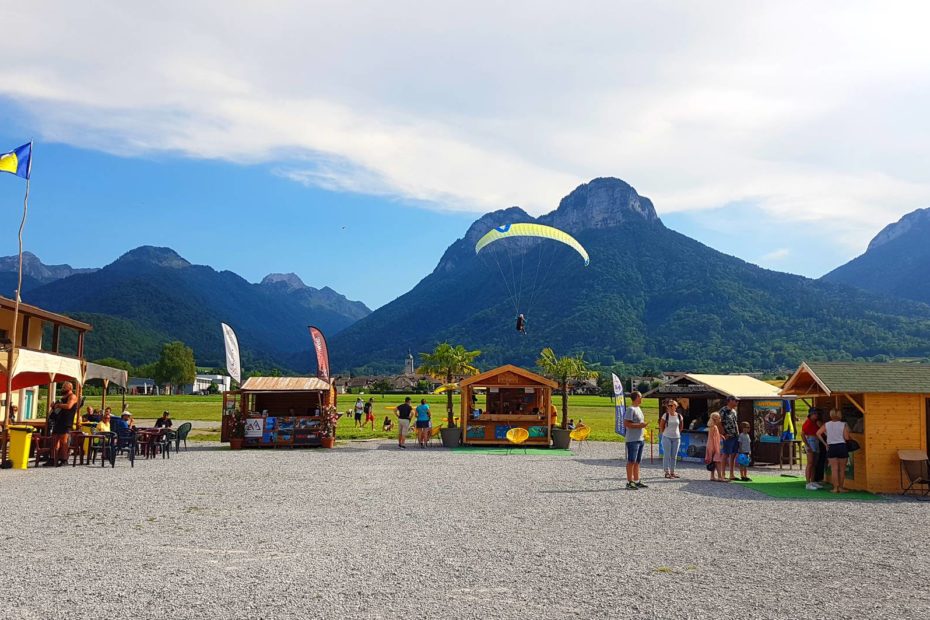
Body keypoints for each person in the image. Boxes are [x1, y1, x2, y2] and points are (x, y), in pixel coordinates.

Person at [817, 409, 851, 494]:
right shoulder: (844, 424)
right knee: (842, 470)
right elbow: (846, 437)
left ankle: (835, 488)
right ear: (840, 415)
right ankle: (841, 487)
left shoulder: (827, 424)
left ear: (831, 415)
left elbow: (818, 433)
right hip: (842, 446)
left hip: (831, 447)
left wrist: (825, 444)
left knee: (834, 469)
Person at [46, 381, 78, 467]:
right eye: (62, 387)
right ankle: (52, 458)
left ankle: (64, 459)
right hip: (58, 421)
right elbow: (58, 408)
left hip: (66, 422)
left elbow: (69, 406)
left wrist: (58, 405)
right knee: (54, 440)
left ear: (70, 388)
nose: (62, 389)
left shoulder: (73, 396)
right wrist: (54, 406)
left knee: (64, 441)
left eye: (64, 387)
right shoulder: (62, 398)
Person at [622, 391, 648, 490]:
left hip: (640, 438)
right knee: (631, 460)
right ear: (636, 397)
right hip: (632, 439)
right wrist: (640, 425)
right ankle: (629, 481)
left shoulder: (638, 408)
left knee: (637, 461)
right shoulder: (630, 409)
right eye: (640, 397)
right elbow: (626, 424)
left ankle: (637, 481)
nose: (642, 399)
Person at [659, 398, 682, 479]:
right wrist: (664, 433)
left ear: (675, 406)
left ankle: (672, 472)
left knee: (674, 455)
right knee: (667, 455)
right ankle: (666, 472)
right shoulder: (665, 415)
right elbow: (661, 426)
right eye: (669, 405)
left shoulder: (679, 416)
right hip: (667, 437)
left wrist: (678, 433)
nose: (670, 406)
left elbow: (681, 426)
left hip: (676, 438)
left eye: (672, 405)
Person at [718, 396, 740, 481]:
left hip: (735, 435)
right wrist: (723, 433)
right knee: (725, 454)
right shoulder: (723, 411)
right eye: (736, 400)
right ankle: (723, 474)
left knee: (733, 454)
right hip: (727, 436)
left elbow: (735, 423)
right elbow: (718, 423)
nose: (737, 402)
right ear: (730, 401)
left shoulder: (734, 411)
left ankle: (731, 474)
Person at [802, 409, 823, 490]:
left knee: (814, 463)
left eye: (817, 414)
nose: (816, 415)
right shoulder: (808, 422)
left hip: (815, 440)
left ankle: (812, 481)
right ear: (811, 414)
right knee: (810, 463)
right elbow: (803, 434)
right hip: (810, 441)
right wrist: (807, 446)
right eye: (815, 414)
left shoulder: (816, 422)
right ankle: (808, 483)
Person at [705, 412, 724, 481]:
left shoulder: (712, 426)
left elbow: (713, 436)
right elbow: (713, 438)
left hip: (711, 445)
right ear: (715, 419)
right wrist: (715, 449)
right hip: (713, 446)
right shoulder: (714, 427)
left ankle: (712, 476)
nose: (720, 419)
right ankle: (720, 477)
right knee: (718, 461)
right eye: (719, 418)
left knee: (713, 461)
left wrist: (720, 435)